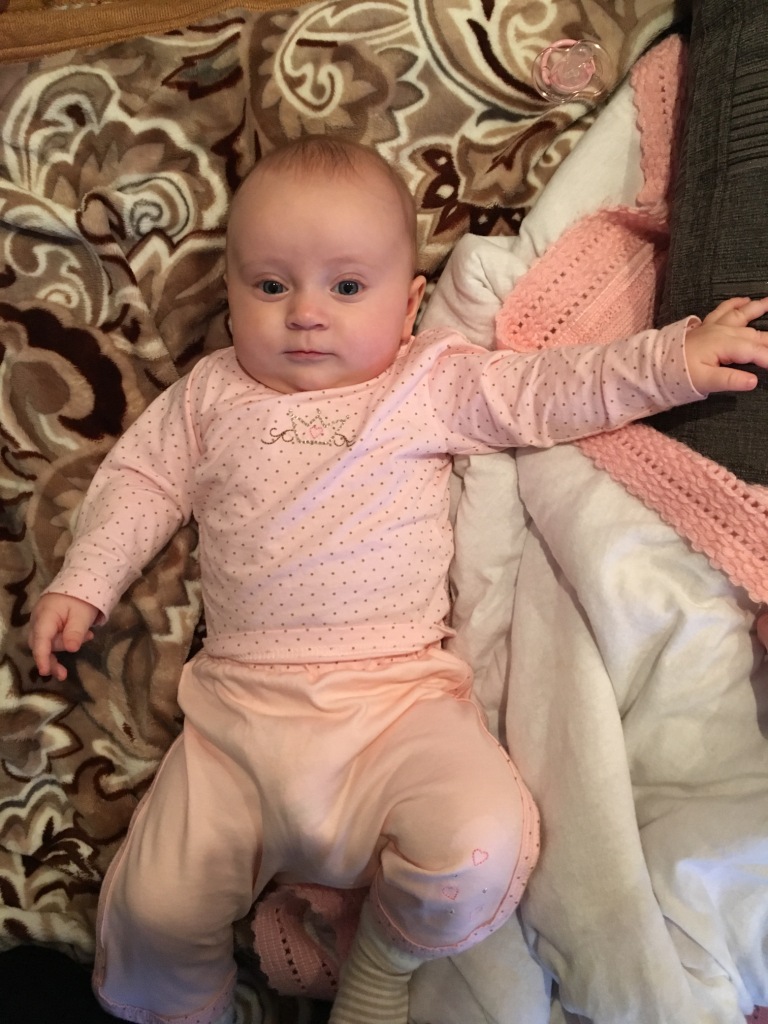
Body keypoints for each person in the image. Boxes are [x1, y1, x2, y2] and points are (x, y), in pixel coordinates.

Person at [28, 136, 768, 1024]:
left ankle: (381, 963)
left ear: (410, 304)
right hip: (234, 723)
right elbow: (141, 482)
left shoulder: (427, 382)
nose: (307, 314)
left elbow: (544, 390)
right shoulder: (208, 395)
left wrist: (670, 363)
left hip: (398, 705)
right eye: (271, 286)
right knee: (151, 913)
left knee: (481, 845)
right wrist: (85, 582)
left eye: (347, 287)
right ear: (229, 296)